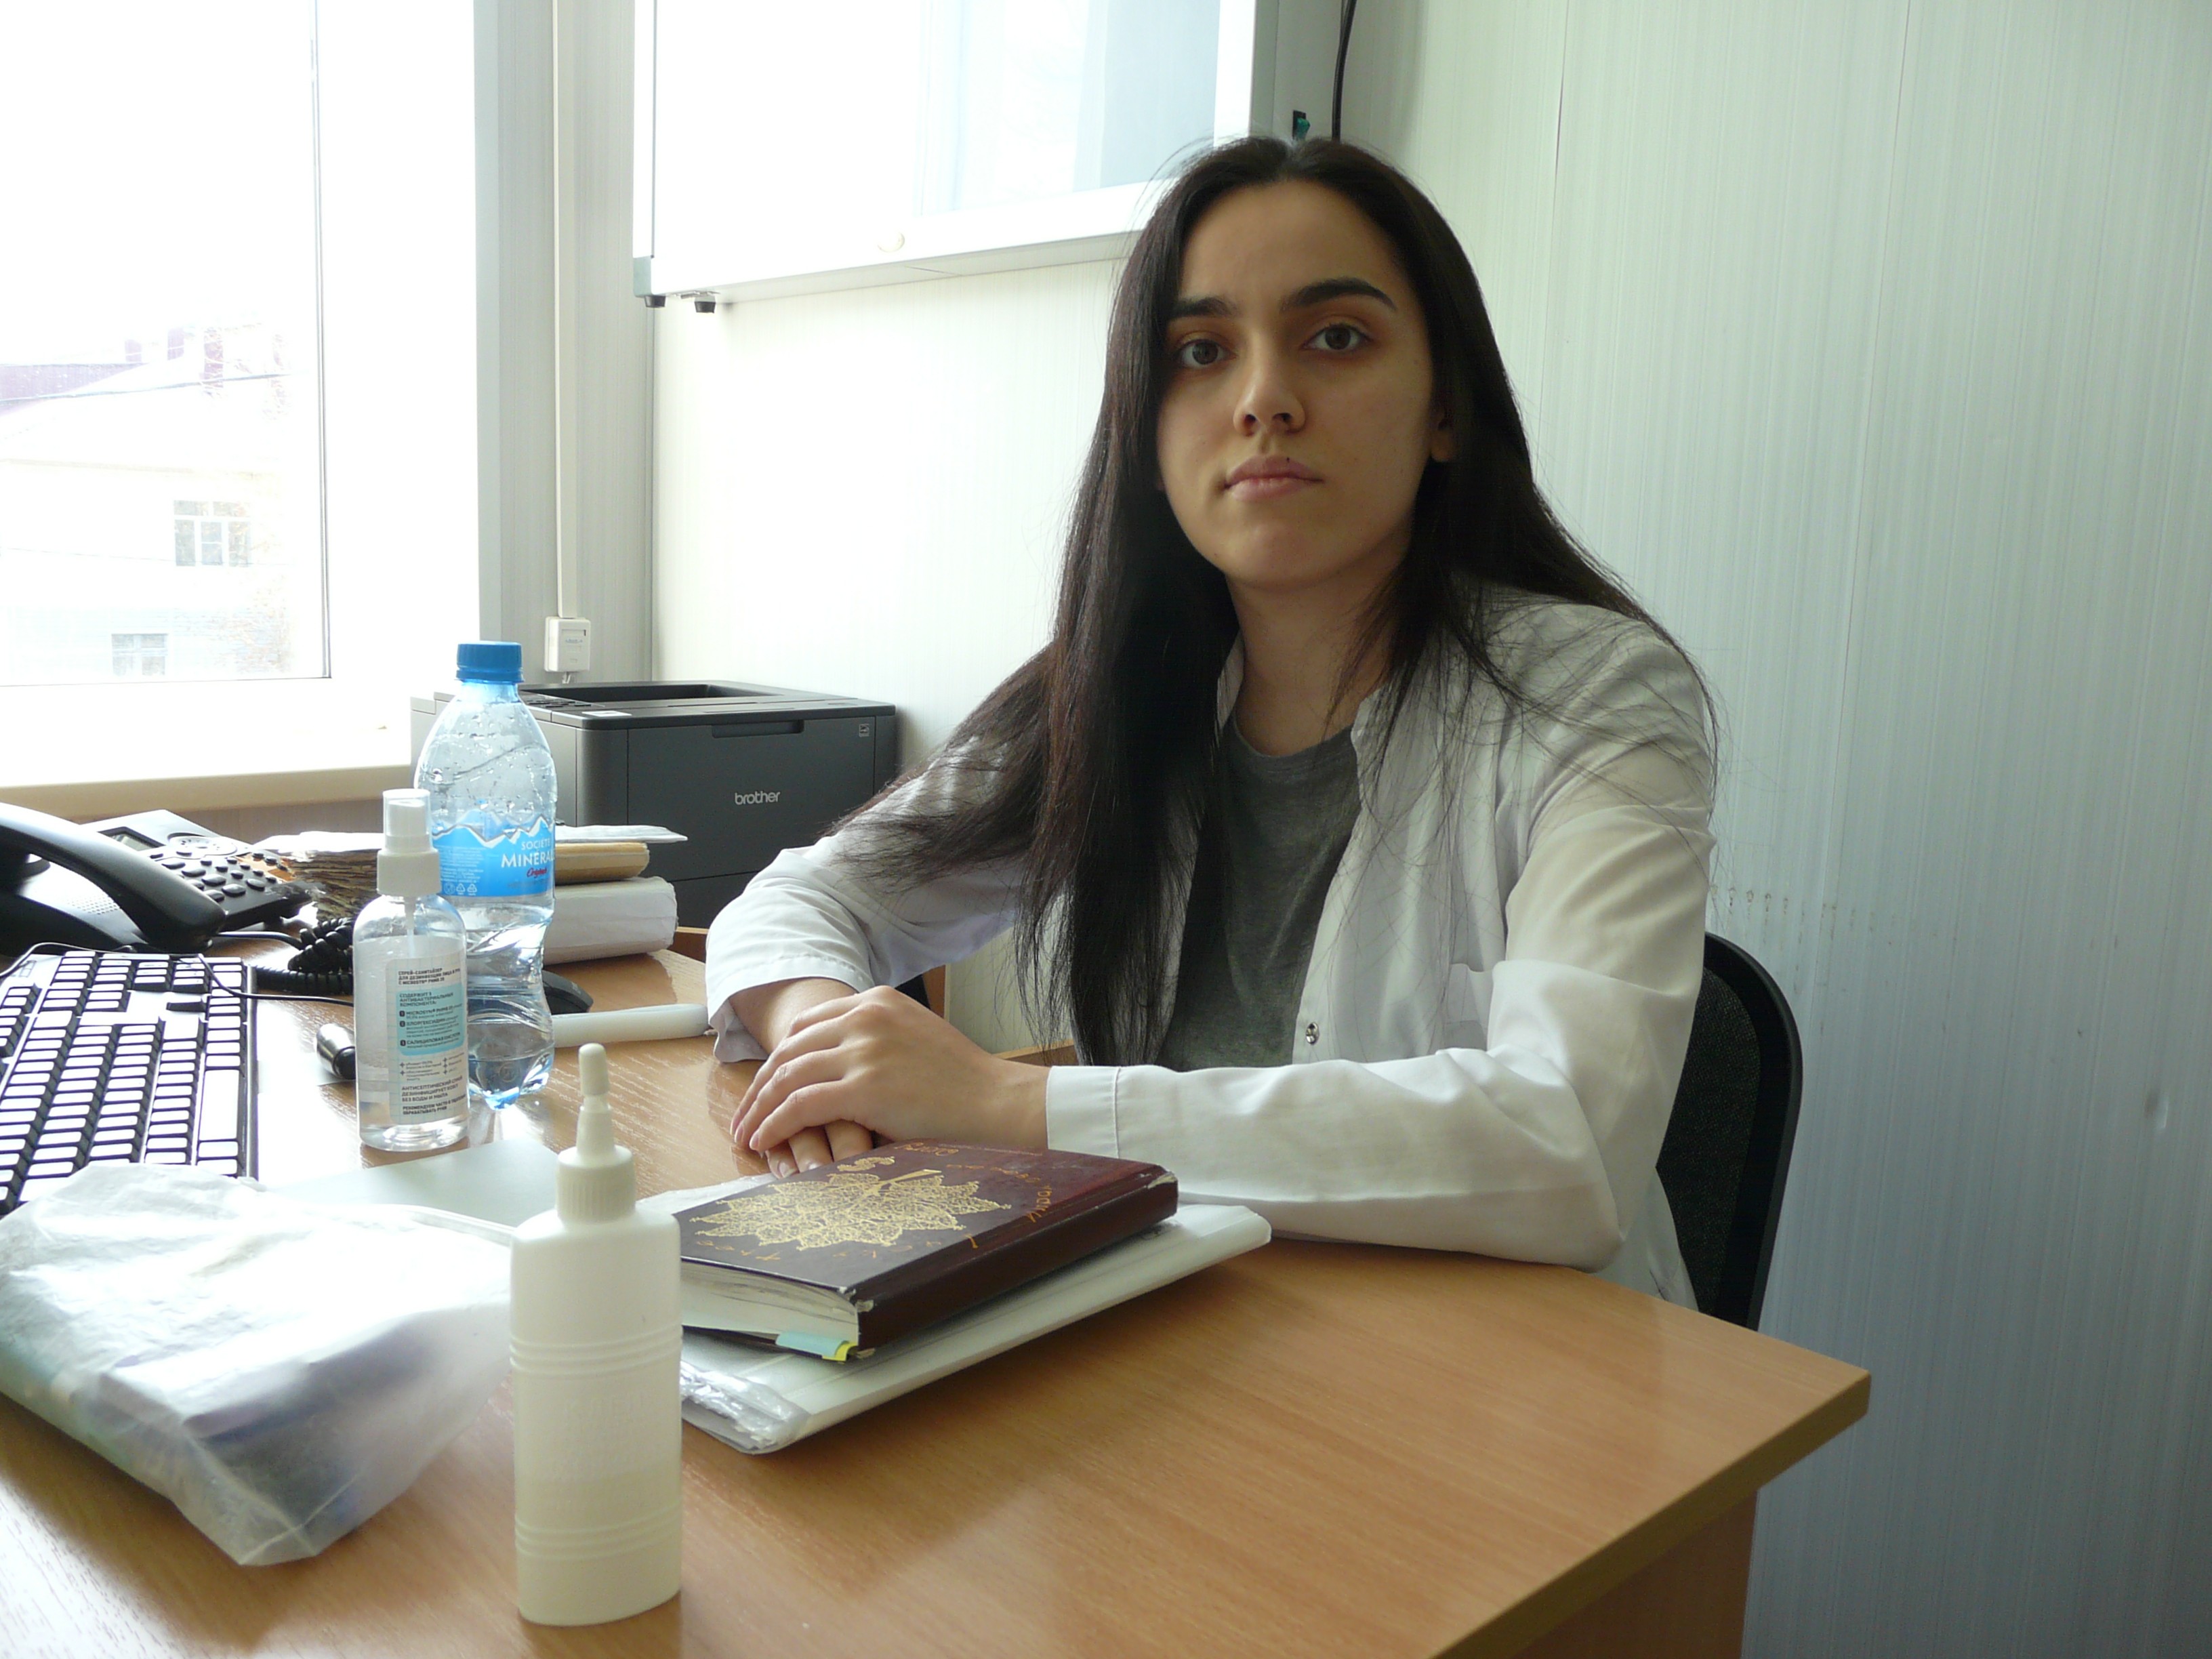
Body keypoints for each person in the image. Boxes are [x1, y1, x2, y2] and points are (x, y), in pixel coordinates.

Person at [706, 137, 1715, 1303]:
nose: (1264, 400)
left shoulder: (1595, 695)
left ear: (1445, 406)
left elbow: (1568, 1144)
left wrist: (1008, 1105)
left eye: (1337, 338)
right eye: (1200, 352)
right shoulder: (1115, 694)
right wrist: (829, 1040)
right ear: (1146, 430)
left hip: (1521, 1370)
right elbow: (801, 899)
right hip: (1198, 1331)